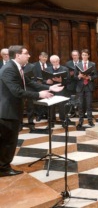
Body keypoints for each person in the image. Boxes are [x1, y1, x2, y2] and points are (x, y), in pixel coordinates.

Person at [0, 45, 63, 177]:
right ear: (18, 55)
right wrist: (40, 95)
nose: (29, 56)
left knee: (10, 141)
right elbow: (17, 91)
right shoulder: (9, 69)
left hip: (12, 110)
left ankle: (4, 166)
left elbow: (30, 83)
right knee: (8, 142)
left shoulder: (17, 68)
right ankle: (3, 168)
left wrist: (50, 88)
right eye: (26, 53)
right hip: (7, 112)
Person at [75, 49, 98, 129]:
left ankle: (90, 120)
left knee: (89, 104)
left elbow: (96, 75)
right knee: (80, 105)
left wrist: (89, 77)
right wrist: (79, 76)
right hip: (80, 87)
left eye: (85, 55)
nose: (84, 56)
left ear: (88, 56)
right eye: (83, 55)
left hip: (88, 86)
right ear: (81, 56)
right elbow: (75, 76)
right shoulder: (78, 65)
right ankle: (80, 121)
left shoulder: (92, 64)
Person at [45, 55, 69, 126]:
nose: (55, 63)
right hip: (51, 89)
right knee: (51, 105)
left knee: (62, 105)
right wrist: (47, 82)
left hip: (61, 89)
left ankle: (63, 120)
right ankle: (52, 121)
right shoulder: (47, 69)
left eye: (56, 61)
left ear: (59, 61)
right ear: (51, 62)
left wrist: (61, 80)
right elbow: (44, 80)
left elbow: (68, 81)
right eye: (53, 62)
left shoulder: (65, 69)